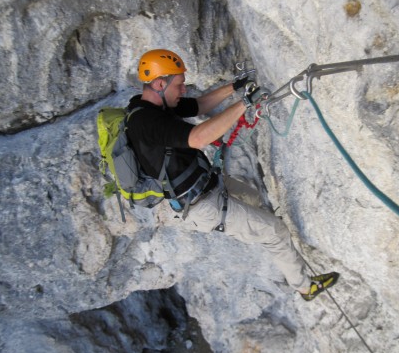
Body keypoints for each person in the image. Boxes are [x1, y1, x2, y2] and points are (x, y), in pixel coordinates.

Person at [126, 49, 339, 301]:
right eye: (180, 84)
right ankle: (304, 287)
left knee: (254, 198)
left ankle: (274, 242)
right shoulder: (145, 121)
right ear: (160, 84)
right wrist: (245, 104)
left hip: (210, 184)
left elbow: (199, 105)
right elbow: (198, 138)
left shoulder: (159, 105)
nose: (184, 90)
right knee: (275, 231)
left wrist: (236, 87)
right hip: (202, 205)